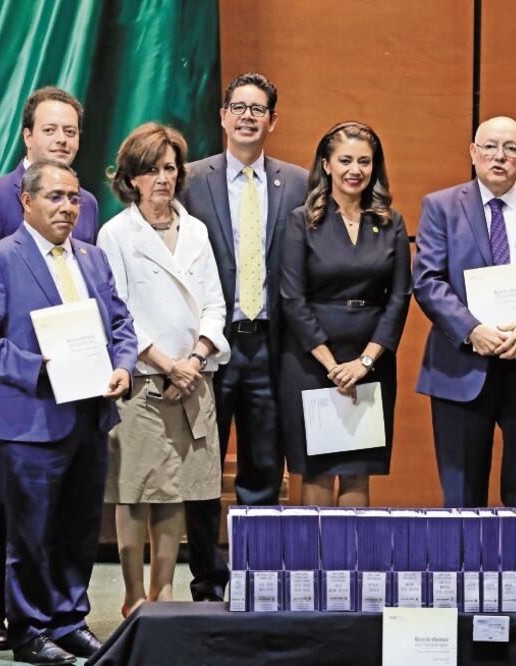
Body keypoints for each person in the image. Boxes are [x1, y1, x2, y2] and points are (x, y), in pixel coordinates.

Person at [0, 160, 136, 665]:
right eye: (55, 197)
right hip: (30, 420)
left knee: (79, 528)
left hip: (90, 416)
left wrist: (123, 366)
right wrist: (38, 367)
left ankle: (69, 621)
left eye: (73, 198)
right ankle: (30, 629)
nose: (67, 207)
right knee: (31, 534)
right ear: (27, 202)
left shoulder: (93, 258)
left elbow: (121, 324)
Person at [0, 86, 99, 649]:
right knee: (4, 507)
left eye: (70, 131)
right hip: (11, 385)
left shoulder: (85, 203)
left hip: (78, 391)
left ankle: (61, 618)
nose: (61, 139)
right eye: (50, 129)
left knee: (64, 512)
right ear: (27, 134)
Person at [178, 72, 308, 600]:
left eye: (258, 109)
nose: (248, 117)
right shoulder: (190, 179)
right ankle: (207, 581)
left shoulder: (299, 183)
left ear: (273, 120)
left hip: (270, 347)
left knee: (263, 469)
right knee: (203, 469)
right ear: (223, 116)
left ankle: (257, 579)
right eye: (239, 107)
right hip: (209, 346)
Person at [98, 123, 230, 616]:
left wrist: (193, 360)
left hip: (194, 378)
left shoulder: (195, 230)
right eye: (151, 170)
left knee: (177, 488)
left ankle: (164, 591)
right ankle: (134, 596)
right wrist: (166, 364)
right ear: (131, 178)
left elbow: (216, 305)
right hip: (143, 380)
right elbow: (118, 311)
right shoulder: (116, 233)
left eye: (169, 168)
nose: (162, 178)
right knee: (135, 489)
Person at [412, 116, 516, 509]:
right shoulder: (441, 206)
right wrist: (472, 329)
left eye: (511, 148)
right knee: (462, 498)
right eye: (489, 147)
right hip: (461, 365)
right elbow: (428, 279)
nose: (499, 156)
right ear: (473, 152)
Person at [278, 121, 410, 505]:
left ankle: (352, 550)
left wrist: (365, 362)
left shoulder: (390, 222)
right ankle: (314, 550)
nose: (355, 170)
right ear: (326, 164)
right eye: (346, 160)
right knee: (318, 471)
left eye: (364, 162)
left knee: (357, 472)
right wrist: (333, 365)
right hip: (312, 360)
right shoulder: (301, 220)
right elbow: (292, 298)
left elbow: (399, 298)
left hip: (371, 359)